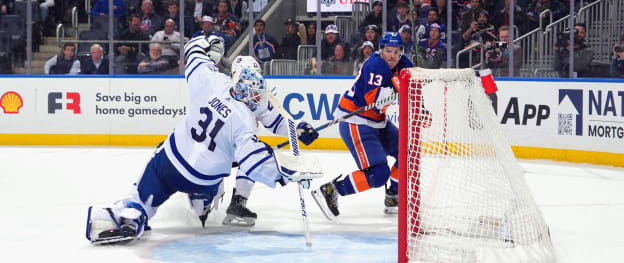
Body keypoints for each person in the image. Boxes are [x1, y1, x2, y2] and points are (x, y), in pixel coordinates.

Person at [86, 36, 320, 244]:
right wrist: (289, 172)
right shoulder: (246, 121)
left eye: (257, 86)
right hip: (204, 180)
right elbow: (255, 163)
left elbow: (193, 51)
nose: (256, 93)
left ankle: (134, 213)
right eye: (253, 87)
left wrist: (209, 43)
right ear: (242, 83)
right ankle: (207, 205)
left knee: (146, 187)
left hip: (171, 163)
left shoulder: (213, 79)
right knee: (235, 169)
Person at [312, 31, 413, 219]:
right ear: (381, 50)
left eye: (396, 51)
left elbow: (414, 89)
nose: (392, 55)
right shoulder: (375, 66)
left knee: (408, 151)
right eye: (388, 50)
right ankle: (332, 190)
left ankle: (393, 195)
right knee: (379, 174)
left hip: (377, 121)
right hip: (355, 121)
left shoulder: (404, 64)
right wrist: (395, 86)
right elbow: (374, 102)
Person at [223, 56, 319, 227]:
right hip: (214, 148)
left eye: (257, 76)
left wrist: (298, 129)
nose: (255, 83)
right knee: (203, 199)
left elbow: (276, 122)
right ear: (238, 77)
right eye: (250, 76)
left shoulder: (256, 96)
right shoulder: (221, 91)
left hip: (238, 147)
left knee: (253, 153)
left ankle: (237, 204)